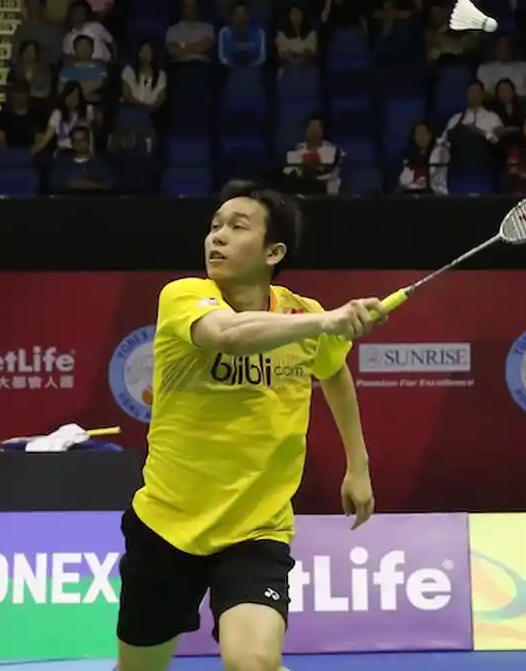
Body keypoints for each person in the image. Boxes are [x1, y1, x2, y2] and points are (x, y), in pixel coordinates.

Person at [115, 181, 383, 671]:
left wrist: (358, 465)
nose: (217, 237)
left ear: (273, 251)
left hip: (256, 530)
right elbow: (228, 335)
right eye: (215, 226)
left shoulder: (303, 315)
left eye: (237, 228)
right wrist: (326, 322)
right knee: (139, 669)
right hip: (166, 525)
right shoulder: (184, 297)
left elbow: (335, 373)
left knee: (253, 662)